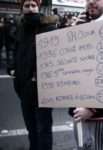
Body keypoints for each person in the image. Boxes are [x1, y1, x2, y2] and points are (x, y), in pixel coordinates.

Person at [68, 0, 103, 150]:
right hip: (79, 107)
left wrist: (91, 108)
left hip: (98, 113)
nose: (90, 1)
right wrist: (72, 33)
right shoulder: (83, 24)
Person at [13, 0, 57, 149]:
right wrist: (12, 70)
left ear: (38, 7)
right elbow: (16, 52)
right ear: (22, 9)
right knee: (31, 128)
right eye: (27, 6)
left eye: (33, 5)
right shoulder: (20, 28)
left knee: (43, 130)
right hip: (24, 88)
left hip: (43, 90)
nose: (31, 9)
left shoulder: (49, 28)